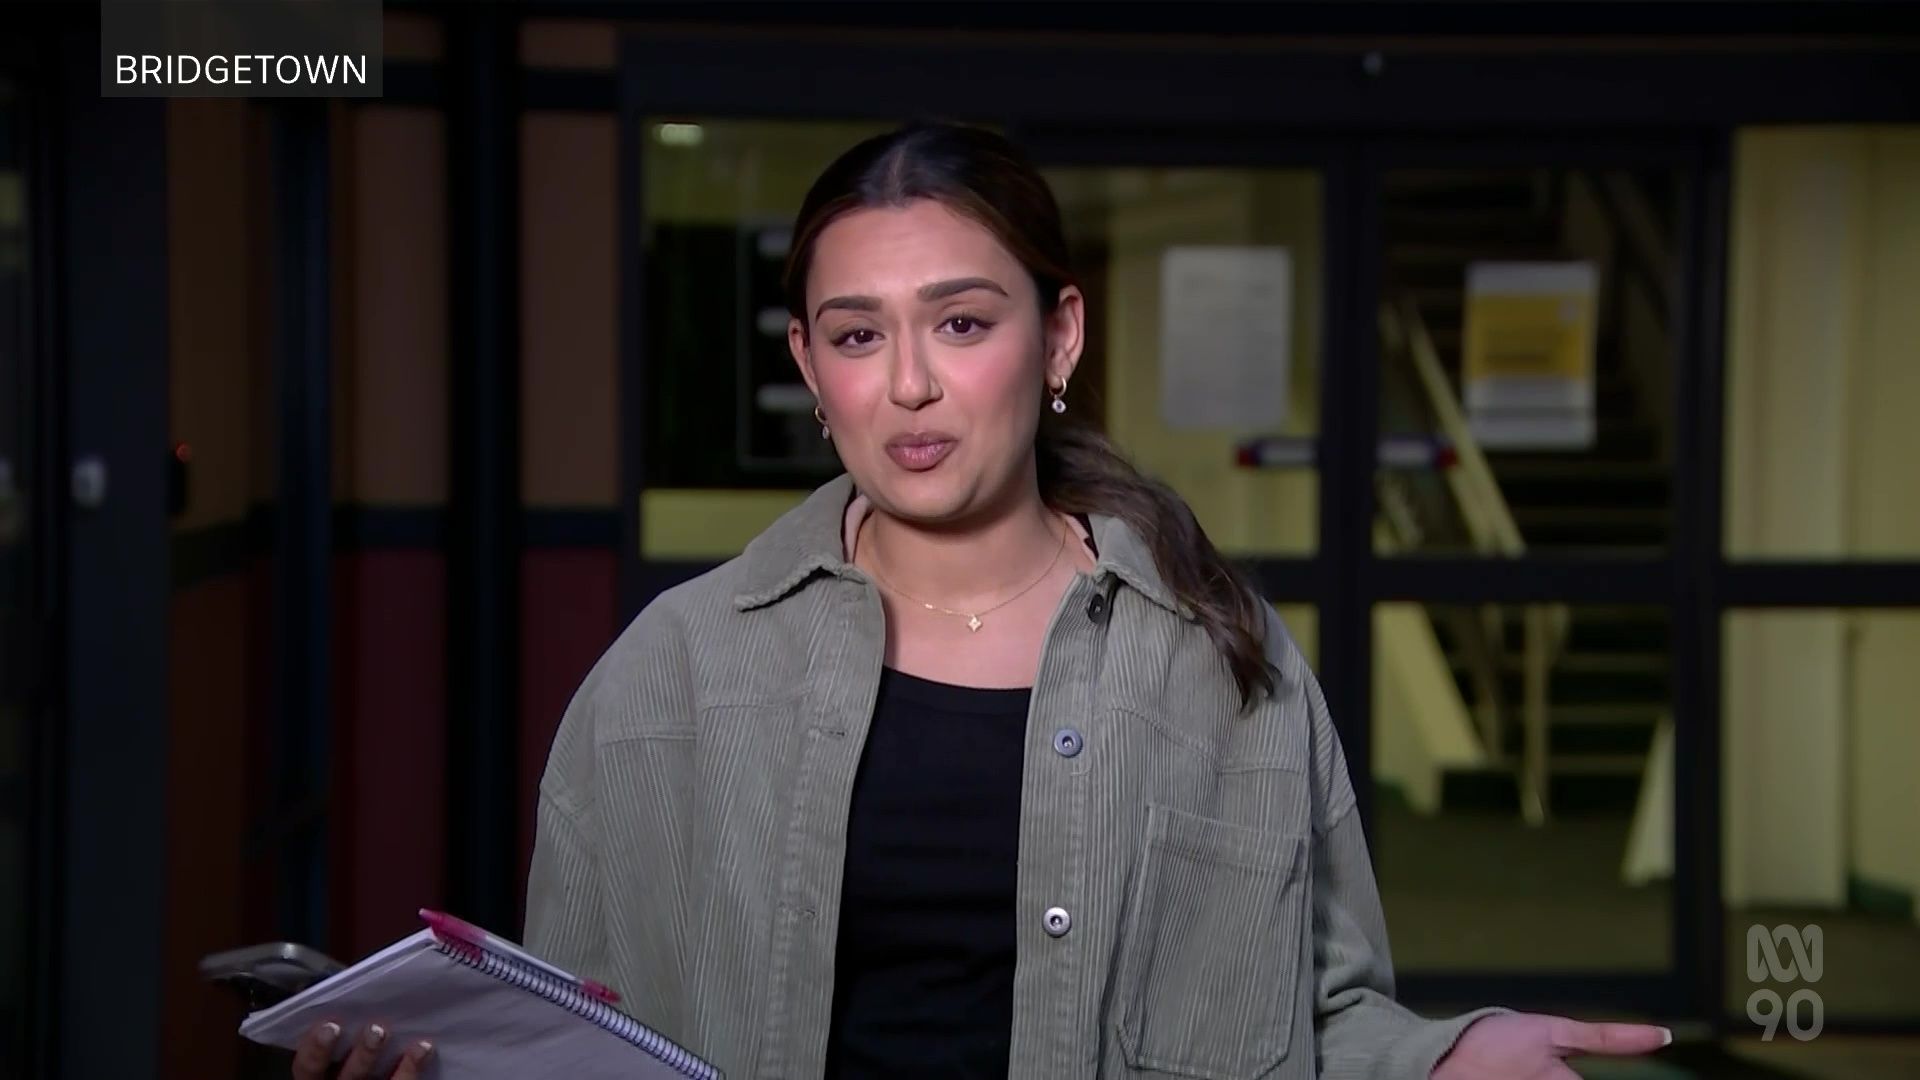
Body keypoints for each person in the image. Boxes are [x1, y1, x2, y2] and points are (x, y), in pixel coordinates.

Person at [293, 122, 1670, 1080]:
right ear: (809, 365)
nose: (908, 384)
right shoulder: (674, 676)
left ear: (1058, 336)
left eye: (961, 322)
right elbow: (570, 1041)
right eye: (858, 335)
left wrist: (1438, 1059)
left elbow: (1314, 1015)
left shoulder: (1219, 660)